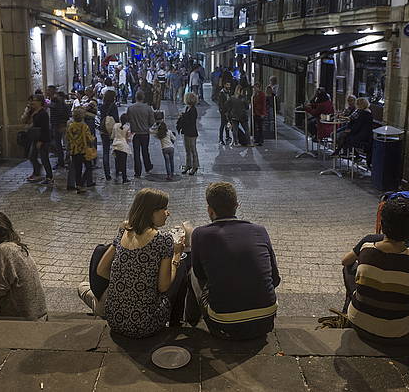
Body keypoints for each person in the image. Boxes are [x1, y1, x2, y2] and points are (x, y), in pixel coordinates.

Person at [187, 182, 281, 340]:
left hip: (223, 323)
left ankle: (191, 322)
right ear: (237, 205)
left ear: (210, 209)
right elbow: (275, 279)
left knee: (190, 273)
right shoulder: (259, 230)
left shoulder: (199, 234)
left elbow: (200, 274)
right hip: (266, 319)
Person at [95, 188, 190, 338]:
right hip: (145, 324)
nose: (168, 212)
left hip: (115, 319)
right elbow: (163, 286)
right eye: (164, 209)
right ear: (151, 211)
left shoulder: (123, 231)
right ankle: (175, 323)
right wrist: (177, 255)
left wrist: (127, 282)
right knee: (182, 263)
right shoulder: (162, 239)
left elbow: (101, 270)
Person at [341, 198, 409, 344]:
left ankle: (350, 309)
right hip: (399, 334)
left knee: (349, 269)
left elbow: (345, 261)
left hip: (358, 323)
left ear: (382, 223)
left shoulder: (367, 247)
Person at [0, 212, 47, 320]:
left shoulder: (2, 250)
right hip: (39, 313)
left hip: (23, 318)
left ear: (1, 229)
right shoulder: (14, 246)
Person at [126, 91, 155, 177]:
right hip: (145, 133)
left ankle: (137, 171)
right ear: (143, 97)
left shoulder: (130, 108)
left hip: (135, 133)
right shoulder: (148, 108)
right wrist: (147, 126)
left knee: (136, 152)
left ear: (135, 97)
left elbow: (128, 119)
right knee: (145, 150)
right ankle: (148, 166)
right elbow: (152, 121)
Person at [26, 95, 53, 186]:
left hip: (43, 139)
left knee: (45, 159)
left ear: (40, 102)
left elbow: (45, 128)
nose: (33, 102)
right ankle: (37, 172)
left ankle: (49, 177)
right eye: (32, 100)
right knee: (31, 156)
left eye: (35, 100)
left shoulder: (43, 113)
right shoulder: (35, 112)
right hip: (35, 138)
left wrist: (41, 141)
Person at [67, 108, 95, 193]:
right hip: (84, 150)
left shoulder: (71, 126)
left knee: (77, 169)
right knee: (89, 167)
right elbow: (89, 138)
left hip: (74, 150)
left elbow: (67, 137)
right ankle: (82, 183)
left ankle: (78, 185)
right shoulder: (84, 126)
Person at [99, 90, 120, 181]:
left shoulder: (102, 106)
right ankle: (117, 169)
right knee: (115, 150)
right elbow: (116, 119)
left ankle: (107, 174)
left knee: (105, 152)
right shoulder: (114, 106)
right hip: (113, 131)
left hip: (104, 131)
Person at [178, 92, 199, 175]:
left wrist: (183, 117)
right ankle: (188, 165)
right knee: (187, 150)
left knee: (193, 150)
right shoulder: (187, 108)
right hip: (186, 131)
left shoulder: (193, 109)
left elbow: (190, 120)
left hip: (192, 132)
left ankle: (195, 166)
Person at [49, 92, 70, 170]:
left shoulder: (58, 105)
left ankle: (63, 161)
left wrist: (61, 124)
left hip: (59, 126)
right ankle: (63, 161)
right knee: (60, 144)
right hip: (58, 125)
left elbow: (64, 115)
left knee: (61, 144)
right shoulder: (57, 104)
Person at [111, 113, 132, 183]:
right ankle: (124, 178)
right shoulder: (127, 127)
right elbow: (128, 138)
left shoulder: (115, 125)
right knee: (123, 163)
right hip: (123, 146)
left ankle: (116, 176)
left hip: (115, 145)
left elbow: (112, 135)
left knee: (117, 161)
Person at [252, 82, 267, 146]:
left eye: (255, 87)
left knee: (260, 127)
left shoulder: (262, 94)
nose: (254, 89)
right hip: (255, 112)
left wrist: (263, 113)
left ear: (258, 87)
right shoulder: (255, 94)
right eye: (254, 88)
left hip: (260, 113)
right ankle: (257, 139)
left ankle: (261, 140)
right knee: (256, 126)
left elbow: (263, 104)